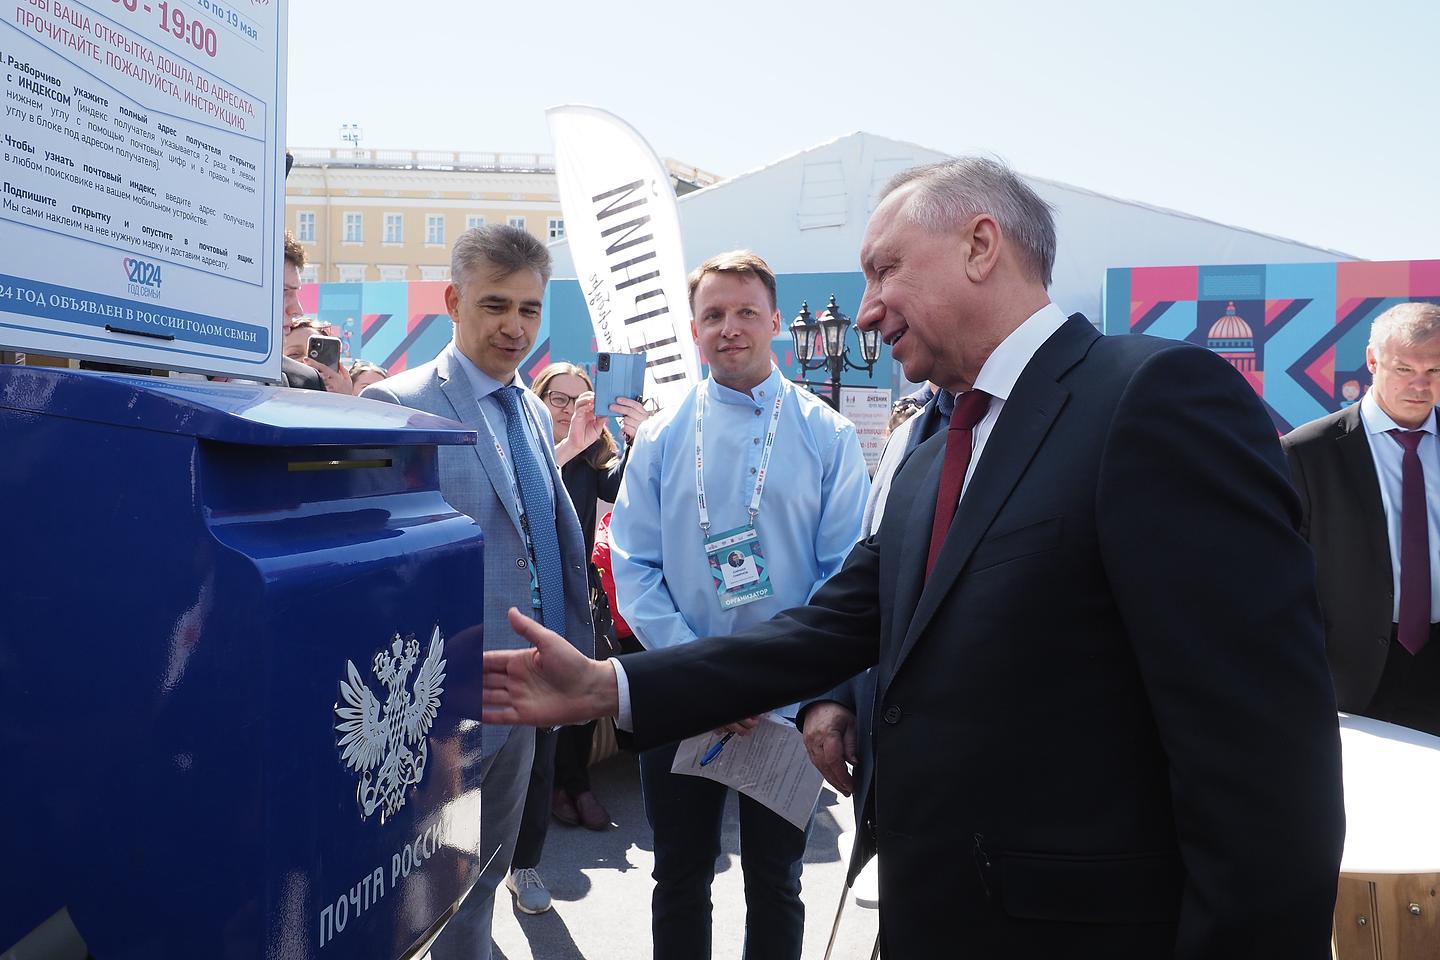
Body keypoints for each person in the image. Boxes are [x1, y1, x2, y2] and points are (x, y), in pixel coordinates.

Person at [480, 157, 1346, 959]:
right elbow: (836, 625)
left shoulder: (1153, 401)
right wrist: (614, 687)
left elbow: (1261, 770)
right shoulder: (937, 447)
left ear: (980, 245)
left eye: (884, 269)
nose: (863, 311)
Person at [608, 250, 870, 960]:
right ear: (694, 329)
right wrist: (703, 675)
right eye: (714, 315)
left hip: (786, 702)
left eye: (746, 311)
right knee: (680, 875)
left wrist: (773, 679)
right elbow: (633, 565)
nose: (730, 327)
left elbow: (843, 573)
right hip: (680, 689)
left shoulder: (828, 434)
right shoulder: (661, 435)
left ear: (777, 322)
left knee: (777, 881)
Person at [360, 224, 593, 960]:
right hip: (438, 710)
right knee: (416, 892)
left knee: (484, 880)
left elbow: (535, 538)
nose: (514, 327)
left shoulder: (527, 403)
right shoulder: (395, 402)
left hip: (522, 696)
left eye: (529, 309)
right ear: (453, 301)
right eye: (496, 305)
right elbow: (377, 573)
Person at [505, 361, 651, 914]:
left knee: (563, 719)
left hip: (573, 598)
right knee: (504, 742)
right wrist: (563, 444)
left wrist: (638, 438)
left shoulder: (590, 454)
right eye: (557, 397)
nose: (567, 407)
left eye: (578, 397)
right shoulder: (523, 444)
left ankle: (529, 856)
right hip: (513, 601)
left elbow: (628, 488)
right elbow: (518, 495)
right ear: (537, 398)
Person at [1282, 301, 1440, 735]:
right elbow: (1278, 575)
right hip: (1348, 672)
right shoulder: (1306, 452)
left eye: (1435, 371)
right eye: (1404, 369)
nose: (1421, 386)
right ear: (1372, 361)